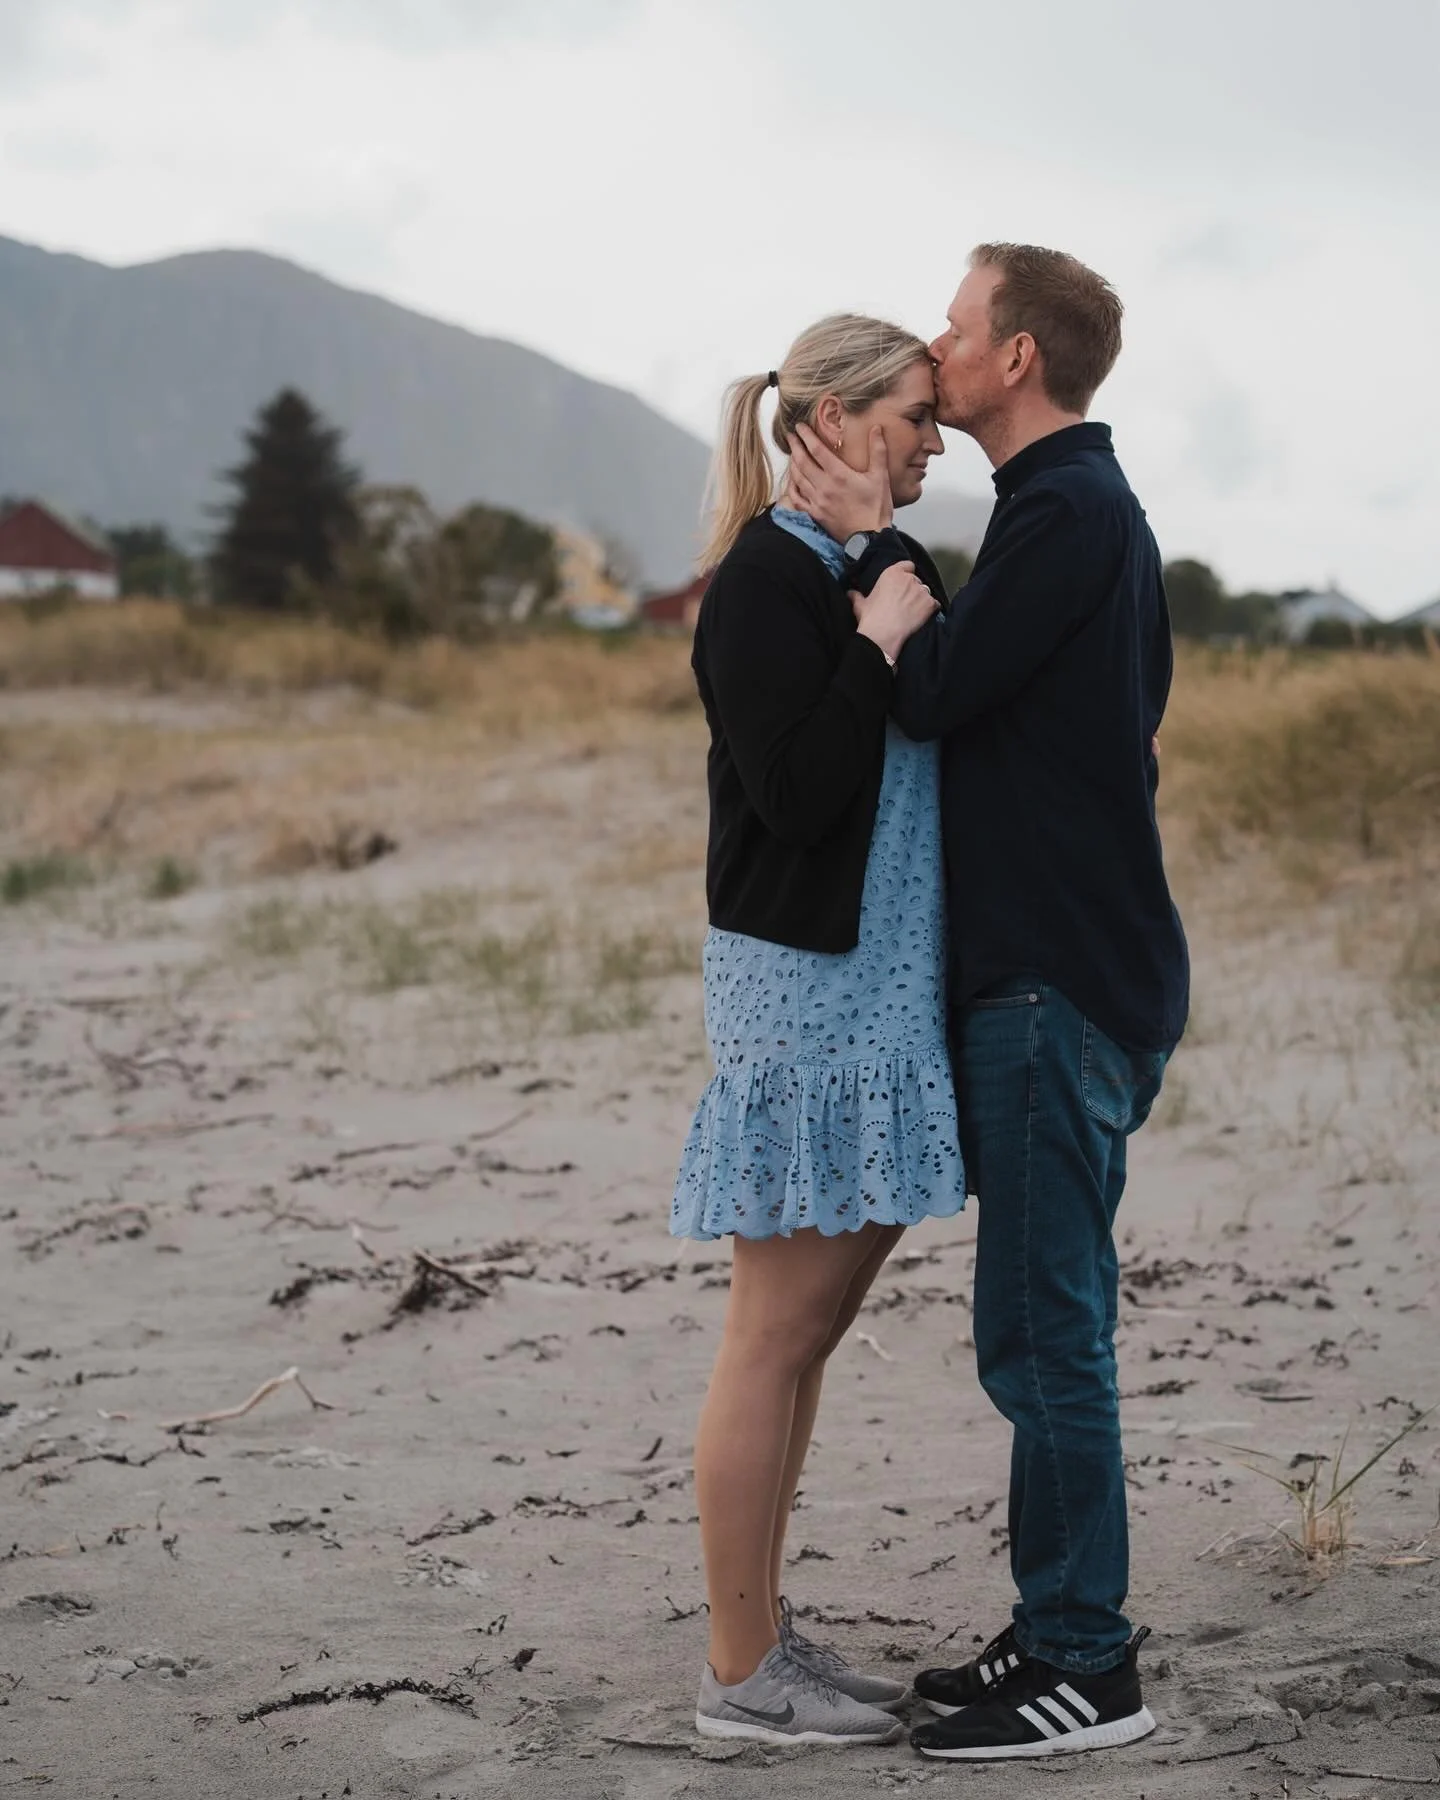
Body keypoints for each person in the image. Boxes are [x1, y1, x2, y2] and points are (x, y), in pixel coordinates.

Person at [788, 244, 1190, 1762]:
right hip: (1083, 973)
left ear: (1015, 360)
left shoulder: (1071, 512)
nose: (939, 350)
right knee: (1041, 1323)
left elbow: (938, 689)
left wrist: (870, 549)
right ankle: (1056, 1626)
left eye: (956, 328)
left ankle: (1091, 1665)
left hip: (1056, 985)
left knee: (1042, 1334)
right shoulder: (1074, 515)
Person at [672, 314, 969, 1747]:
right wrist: (876, 633)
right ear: (832, 421)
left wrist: (883, 592)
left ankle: (767, 1640)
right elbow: (799, 792)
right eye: (913, 414)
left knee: (809, 1335)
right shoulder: (756, 589)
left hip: (877, 992)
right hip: (805, 997)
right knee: (773, 1335)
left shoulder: (852, 569)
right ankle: (741, 1673)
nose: (931, 438)